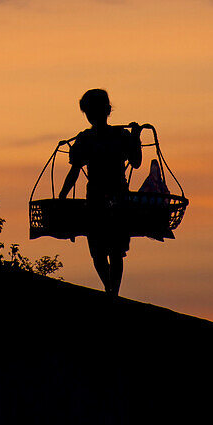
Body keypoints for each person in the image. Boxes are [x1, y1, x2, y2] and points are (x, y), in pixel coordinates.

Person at [59, 89, 142, 296]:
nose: (91, 115)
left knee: (114, 251)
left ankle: (112, 293)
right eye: (88, 111)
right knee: (98, 252)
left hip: (117, 197)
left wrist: (135, 138)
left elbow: (136, 162)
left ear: (106, 111)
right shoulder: (85, 139)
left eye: (93, 110)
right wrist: (62, 195)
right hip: (95, 197)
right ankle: (109, 289)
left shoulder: (120, 136)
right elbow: (75, 170)